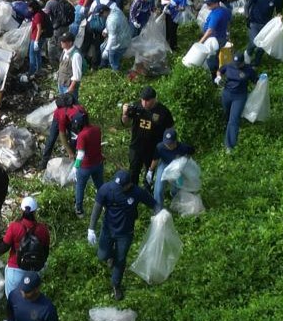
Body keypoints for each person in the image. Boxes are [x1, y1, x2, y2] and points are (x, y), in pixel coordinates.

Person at [88, 170, 157, 300]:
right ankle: (110, 255)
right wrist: (91, 228)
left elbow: (153, 203)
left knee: (120, 259)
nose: (118, 189)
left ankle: (116, 285)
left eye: (121, 187)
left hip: (125, 233)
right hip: (108, 229)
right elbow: (97, 208)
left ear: (129, 185)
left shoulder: (137, 192)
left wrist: (161, 214)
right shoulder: (106, 189)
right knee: (102, 255)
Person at [0, 196, 50, 297]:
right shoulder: (42, 229)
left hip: (15, 268)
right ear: (35, 212)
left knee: (13, 300)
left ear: (22, 210)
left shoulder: (14, 226)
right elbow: (46, 251)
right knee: (31, 299)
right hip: (34, 270)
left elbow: (5, 247)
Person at [121, 86, 174, 185]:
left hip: (152, 149)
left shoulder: (163, 111)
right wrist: (125, 114)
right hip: (136, 146)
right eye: (143, 100)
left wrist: (166, 145)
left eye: (147, 101)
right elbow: (125, 122)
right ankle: (133, 193)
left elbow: (170, 128)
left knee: (149, 174)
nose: (144, 103)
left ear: (154, 99)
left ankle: (147, 191)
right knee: (133, 172)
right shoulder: (136, 106)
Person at [218, 53, 257, 153]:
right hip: (227, 94)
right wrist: (218, 78)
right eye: (235, 63)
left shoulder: (248, 70)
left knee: (234, 120)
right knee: (227, 115)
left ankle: (229, 145)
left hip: (239, 97)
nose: (236, 65)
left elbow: (256, 81)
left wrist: (263, 81)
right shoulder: (229, 65)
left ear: (243, 62)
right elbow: (220, 70)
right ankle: (227, 132)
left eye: (238, 64)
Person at [148, 128, 195, 209]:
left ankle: (175, 203)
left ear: (175, 141)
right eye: (166, 143)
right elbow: (155, 159)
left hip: (177, 168)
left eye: (171, 143)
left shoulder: (183, 147)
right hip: (164, 165)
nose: (168, 145)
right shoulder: (160, 147)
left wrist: (185, 162)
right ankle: (158, 210)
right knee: (158, 190)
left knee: (176, 189)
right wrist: (150, 171)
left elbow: (191, 152)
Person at [71, 110, 104, 216]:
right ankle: (105, 204)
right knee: (100, 186)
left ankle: (79, 209)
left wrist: (75, 167)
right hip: (98, 163)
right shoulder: (97, 129)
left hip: (85, 166)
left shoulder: (82, 135)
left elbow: (80, 154)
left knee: (80, 187)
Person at [38, 93, 82, 169]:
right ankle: (44, 162)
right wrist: (69, 151)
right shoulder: (62, 115)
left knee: (74, 139)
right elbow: (62, 135)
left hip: (72, 120)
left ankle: (73, 161)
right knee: (51, 139)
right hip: (58, 119)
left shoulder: (81, 111)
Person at [245, 0, 283, 66]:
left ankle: (256, 63)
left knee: (263, 45)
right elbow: (247, 5)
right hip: (254, 22)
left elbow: (279, 12)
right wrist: (247, 16)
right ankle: (248, 53)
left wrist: (279, 18)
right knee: (254, 42)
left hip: (266, 25)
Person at [199, 0, 231, 73]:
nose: (207, 5)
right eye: (206, 3)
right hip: (222, 37)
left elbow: (210, 30)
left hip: (214, 40)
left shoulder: (216, 14)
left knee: (211, 59)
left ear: (216, 3)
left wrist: (200, 42)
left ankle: (214, 77)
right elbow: (229, 22)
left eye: (209, 4)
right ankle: (219, 73)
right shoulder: (225, 10)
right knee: (218, 57)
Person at [101, 0, 132, 71]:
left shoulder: (112, 19)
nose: (101, 16)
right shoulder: (115, 10)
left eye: (101, 14)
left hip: (120, 42)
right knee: (102, 47)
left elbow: (112, 38)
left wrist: (107, 50)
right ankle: (105, 66)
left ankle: (116, 73)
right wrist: (106, 30)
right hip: (123, 37)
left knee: (113, 59)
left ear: (105, 11)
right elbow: (114, 26)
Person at [55, 31, 83, 101]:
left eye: (64, 41)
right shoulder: (64, 51)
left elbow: (77, 77)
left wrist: (70, 89)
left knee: (71, 107)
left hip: (68, 87)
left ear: (70, 43)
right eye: (61, 40)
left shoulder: (76, 56)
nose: (61, 42)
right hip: (61, 84)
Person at [26, 0, 47, 79]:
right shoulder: (40, 13)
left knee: (32, 55)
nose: (29, 9)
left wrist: (36, 41)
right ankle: (38, 70)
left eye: (30, 8)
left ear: (33, 7)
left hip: (36, 38)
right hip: (39, 37)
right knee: (37, 54)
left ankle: (31, 71)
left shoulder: (37, 15)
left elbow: (39, 29)